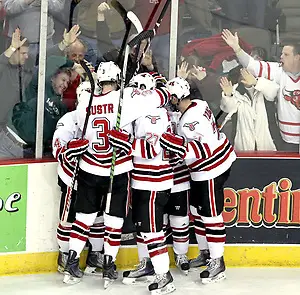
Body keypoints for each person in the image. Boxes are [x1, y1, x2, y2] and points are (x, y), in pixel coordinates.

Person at [62, 61, 171, 286]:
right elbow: (159, 98)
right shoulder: (125, 101)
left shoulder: (84, 103)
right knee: (113, 219)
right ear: (119, 80)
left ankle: (72, 264)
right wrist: (164, 90)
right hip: (117, 170)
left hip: (89, 167)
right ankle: (109, 265)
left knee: (83, 218)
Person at [159, 77, 236, 284]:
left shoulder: (189, 122)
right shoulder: (198, 103)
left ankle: (217, 262)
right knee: (197, 211)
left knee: (211, 216)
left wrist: (176, 147)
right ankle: (206, 253)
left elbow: (202, 150)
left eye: (170, 97)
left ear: (176, 98)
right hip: (214, 162)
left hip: (210, 169)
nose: (168, 101)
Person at [109, 72, 175, 294]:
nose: (135, 92)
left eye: (139, 88)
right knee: (142, 228)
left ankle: (163, 276)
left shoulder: (153, 116)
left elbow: (150, 149)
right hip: (142, 180)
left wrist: (126, 141)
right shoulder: (141, 113)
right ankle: (147, 264)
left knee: (152, 230)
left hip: (153, 181)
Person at [52, 81, 105, 277]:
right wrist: (71, 149)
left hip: (95, 176)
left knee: (98, 218)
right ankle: (65, 256)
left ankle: (95, 255)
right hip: (71, 178)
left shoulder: (101, 116)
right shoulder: (68, 119)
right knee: (69, 219)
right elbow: (58, 148)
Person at [222, 29, 300, 152]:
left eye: (286, 54)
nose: (281, 56)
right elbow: (253, 66)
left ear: (297, 58)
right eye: (282, 53)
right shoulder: (278, 71)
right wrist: (237, 48)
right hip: (286, 140)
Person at [10, 55, 73, 157]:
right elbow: (50, 59)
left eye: (68, 82)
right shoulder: (38, 87)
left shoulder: (61, 106)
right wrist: (73, 65)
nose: (65, 85)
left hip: (35, 151)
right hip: (15, 145)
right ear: (52, 78)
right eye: (63, 80)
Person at [219, 66, 279, 151]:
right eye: (243, 73)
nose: (245, 76)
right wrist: (228, 96)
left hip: (268, 144)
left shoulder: (263, 88)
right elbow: (228, 109)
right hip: (244, 146)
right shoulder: (235, 92)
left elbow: (274, 92)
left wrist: (255, 82)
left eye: (248, 73)